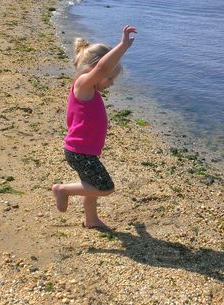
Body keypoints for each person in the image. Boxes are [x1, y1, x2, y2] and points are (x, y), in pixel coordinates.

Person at [51, 25, 137, 230]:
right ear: (95, 70)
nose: (111, 83)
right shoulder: (83, 85)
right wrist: (123, 46)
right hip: (80, 153)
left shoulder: (90, 91)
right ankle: (62, 190)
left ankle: (91, 220)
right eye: (110, 78)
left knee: (90, 187)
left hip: (84, 152)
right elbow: (102, 69)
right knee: (105, 188)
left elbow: (102, 70)